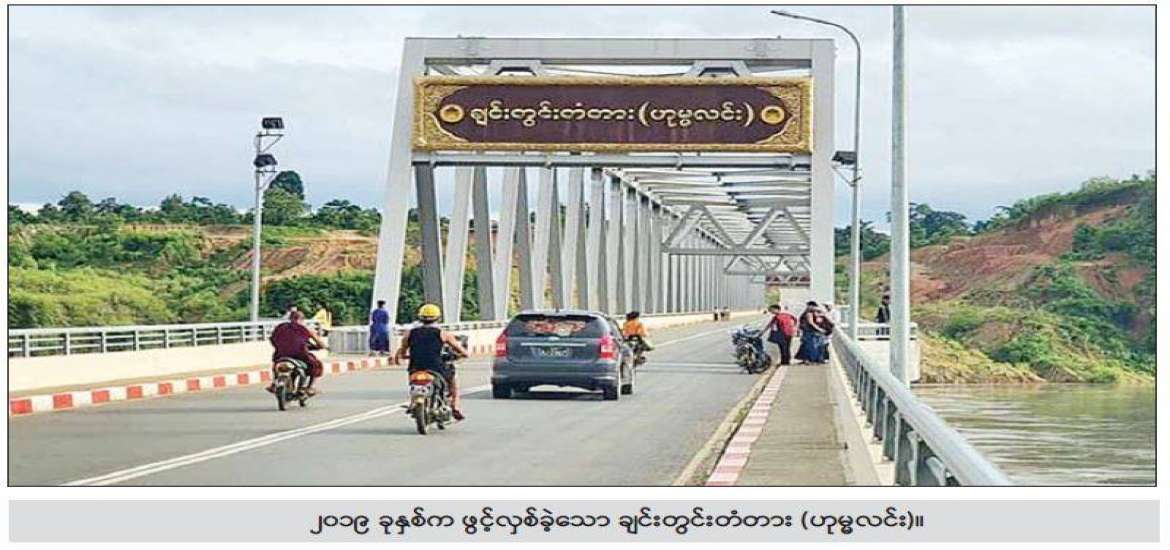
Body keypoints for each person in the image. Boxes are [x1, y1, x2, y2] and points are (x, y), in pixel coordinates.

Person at [394, 303, 469, 421]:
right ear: (438, 318)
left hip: (416, 367)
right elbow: (461, 351)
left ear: (420, 317)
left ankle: (413, 401)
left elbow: (402, 351)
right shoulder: (442, 333)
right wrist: (462, 354)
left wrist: (402, 357)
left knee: (413, 382)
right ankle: (455, 406)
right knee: (452, 381)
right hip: (436, 368)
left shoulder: (410, 333)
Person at [267, 309, 326, 395]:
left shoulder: (280, 327)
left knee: (276, 364)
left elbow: (272, 339)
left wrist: (279, 346)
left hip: (281, 354)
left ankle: (274, 384)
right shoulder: (305, 329)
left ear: (290, 318)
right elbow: (320, 343)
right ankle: (309, 388)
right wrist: (321, 346)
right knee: (316, 365)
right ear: (302, 319)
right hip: (300, 355)